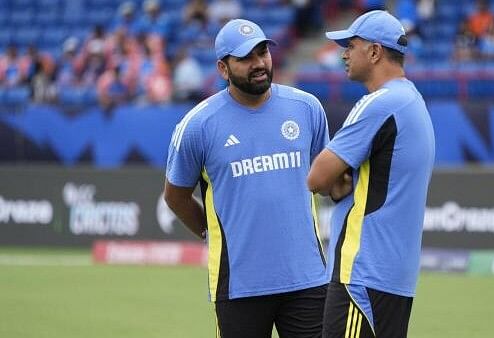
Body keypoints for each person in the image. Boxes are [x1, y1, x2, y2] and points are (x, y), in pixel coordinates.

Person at [163, 18, 330, 338]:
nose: (259, 64)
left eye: (263, 52)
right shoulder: (197, 125)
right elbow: (175, 196)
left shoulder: (307, 108)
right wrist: (208, 230)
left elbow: (328, 178)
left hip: (307, 279)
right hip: (239, 285)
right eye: (245, 58)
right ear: (223, 68)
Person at [307, 10, 435, 338]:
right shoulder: (413, 102)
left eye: (351, 45)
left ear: (375, 52)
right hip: (394, 278)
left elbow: (317, 178)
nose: (344, 54)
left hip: (363, 274)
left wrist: (335, 179)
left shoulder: (378, 104)